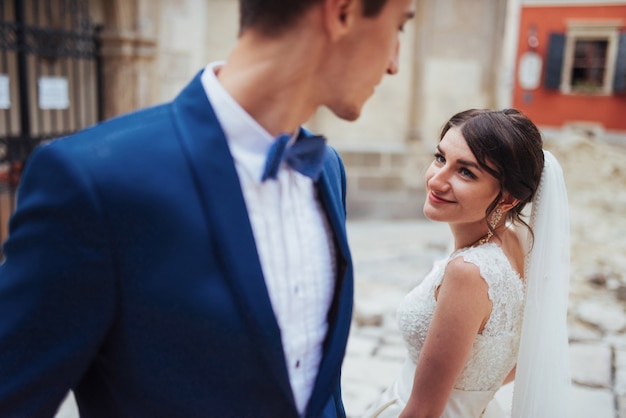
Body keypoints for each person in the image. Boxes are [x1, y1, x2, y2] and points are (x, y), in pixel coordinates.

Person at [0, 0, 415, 417]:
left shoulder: (326, 169)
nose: (396, 63)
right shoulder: (93, 181)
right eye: (398, 26)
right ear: (341, 11)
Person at [364, 109, 572, 418]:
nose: (437, 179)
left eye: (466, 172)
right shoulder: (520, 243)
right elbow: (521, 354)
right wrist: (471, 395)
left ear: (508, 198)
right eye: (440, 158)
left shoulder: (469, 273)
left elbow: (423, 412)